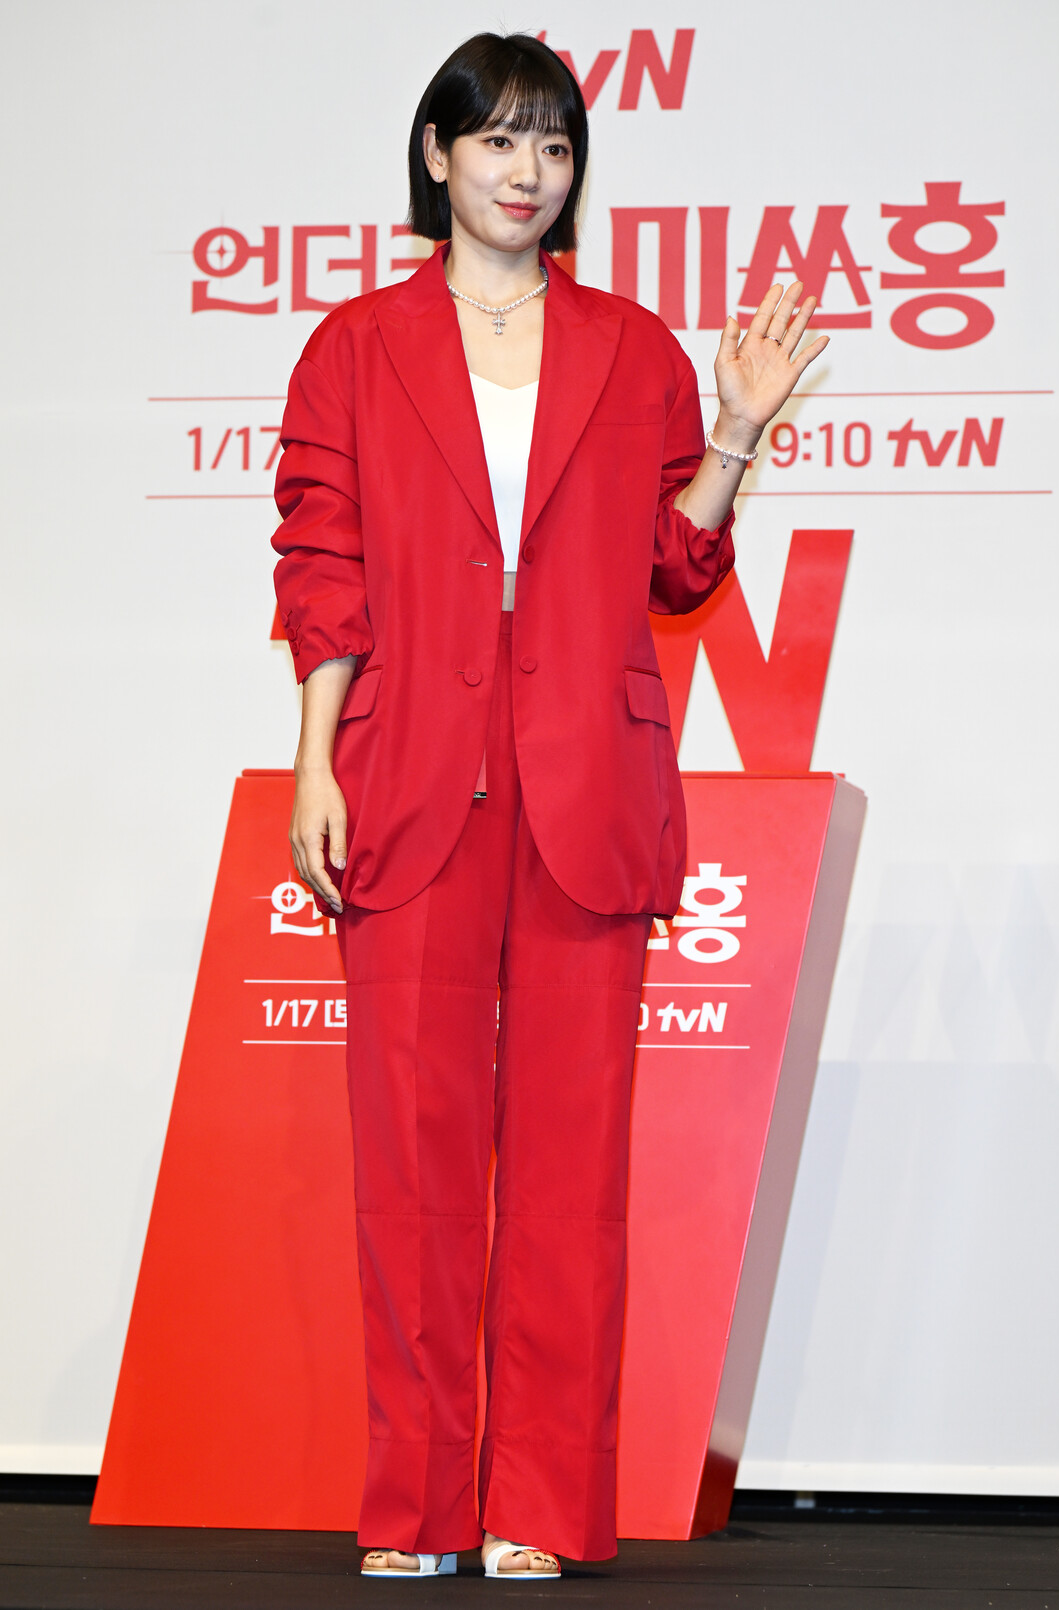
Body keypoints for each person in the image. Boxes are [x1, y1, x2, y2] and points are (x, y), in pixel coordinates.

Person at [272, 31, 827, 1581]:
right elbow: (322, 564)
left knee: (575, 1172)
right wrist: (317, 758)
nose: (528, 172)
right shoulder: (354, 348)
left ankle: (540, 1503)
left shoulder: (634, 347)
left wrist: (738, 430)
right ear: (438, 154)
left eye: (556, 145)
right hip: (408, 774)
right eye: (501, 140)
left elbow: (676, 568)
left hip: (586, 775)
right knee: (414, 1166)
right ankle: (416, 1508)